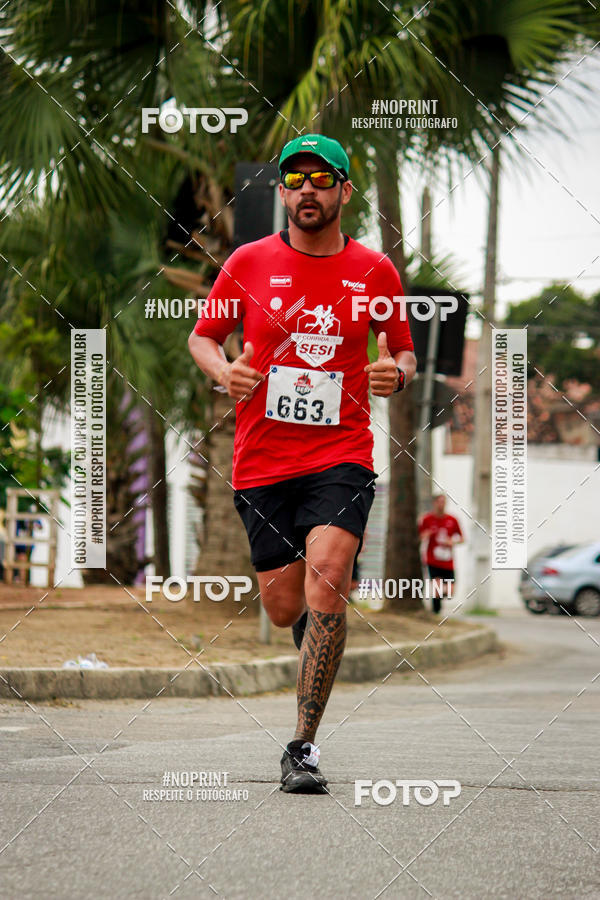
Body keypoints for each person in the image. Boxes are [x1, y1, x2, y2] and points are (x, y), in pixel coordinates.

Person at [188, 134, 416, 793]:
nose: (308, 188)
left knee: (329, 578)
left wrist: (392, 376)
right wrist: (223, 369)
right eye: (295, 178)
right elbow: (203, 336)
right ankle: (312, 646)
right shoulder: (249, 261)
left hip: (340, 454)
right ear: (282, 192)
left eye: (323, 177)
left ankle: (302, 747)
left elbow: (404, 354)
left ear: (345, 190)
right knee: (287, 607)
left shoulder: (375, 272)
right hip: (262, 460)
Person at [418, 494, 464, 613]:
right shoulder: (427, 519)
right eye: (439, 502)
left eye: (444, 502)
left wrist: (452, 542)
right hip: (433, 560)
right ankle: (436, 611)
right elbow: (420, 536)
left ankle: (436, 602)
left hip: (448, 561)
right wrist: (426, 535)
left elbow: (462, 538)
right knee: (437, 588)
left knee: (450, 592)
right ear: (434, 503)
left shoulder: (452, 520)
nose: (442, 504)